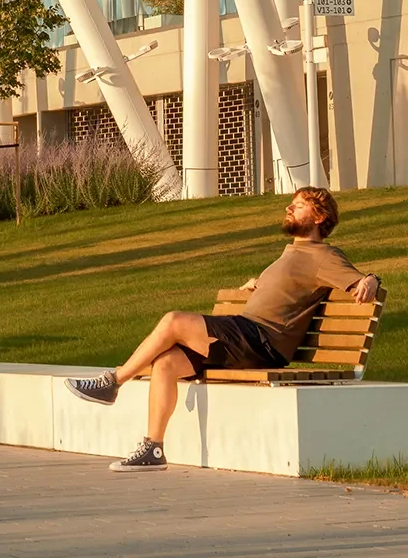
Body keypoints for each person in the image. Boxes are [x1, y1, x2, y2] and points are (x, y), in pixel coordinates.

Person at [64, 186, 381, 472]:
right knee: (166, 363)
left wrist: (370, 278)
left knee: (173, 320)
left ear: (319, 216)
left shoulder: (324, 256)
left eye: (298, 206)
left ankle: (113, 381)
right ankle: (153, 448)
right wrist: (258, 285)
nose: (289, 208)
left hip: (260, 340)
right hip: (246, 334)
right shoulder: (293, 252)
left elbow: (356, 279)